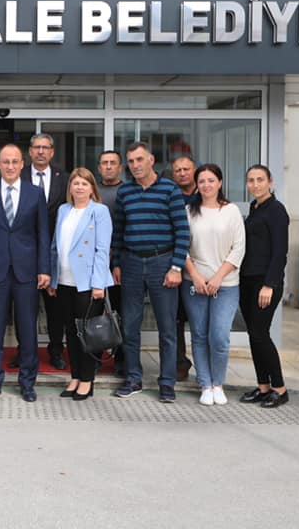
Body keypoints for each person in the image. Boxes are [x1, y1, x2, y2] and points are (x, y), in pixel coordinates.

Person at [112, 141, 190, 403]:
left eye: (139, 159)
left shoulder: (170, 189)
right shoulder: (125, 192)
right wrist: (116, 263)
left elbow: (182, 231)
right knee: (130, 325)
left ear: (151, 160)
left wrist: (176, 267)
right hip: (131, 263)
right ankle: (133, 378)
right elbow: (119, 231)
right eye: (131, 161)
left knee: (167, 328)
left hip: (162, 262)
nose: (135, 165)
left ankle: (167, 382)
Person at [0, 144, 50, 403]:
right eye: (5, 161)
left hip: (27, 271)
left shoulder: (35, 193)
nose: (10, 166)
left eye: (15, 161)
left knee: (27, 331)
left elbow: (42, 234)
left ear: (22, 164)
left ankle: (27, 383)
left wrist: (44, 268)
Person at [181, 164, 246, 406]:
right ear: (196, 185)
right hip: (194, 284)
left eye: (211, 180)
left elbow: (239, 248)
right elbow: (182, 246)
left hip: (226, 284)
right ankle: (205, 384)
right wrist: (196, 276)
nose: (206, 185)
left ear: (220, 183)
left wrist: (218, 277)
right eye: (202, 181)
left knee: (219, 336)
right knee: (199, 335)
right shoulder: (189, 211)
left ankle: (218, 383)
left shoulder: (231, 211)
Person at [47, 168, 114, 401]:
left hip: (88, 283)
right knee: (71, 332)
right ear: (70, 188)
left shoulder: (99, 211)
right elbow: (55, 246)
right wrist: (53, 278)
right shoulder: (63, 210)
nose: (79, 187)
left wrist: (98, 284)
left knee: (87, 333)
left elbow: (102, 250)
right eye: (75, 183)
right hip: (64, 280)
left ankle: (87, 380)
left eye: (84, 184)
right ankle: (75, 376)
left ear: (92, 188)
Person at [239, 164, 291, 408]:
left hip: (265, 282)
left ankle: (279, 389)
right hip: (247, 280)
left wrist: (269, 284)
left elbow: (280, 252)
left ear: (270, 182)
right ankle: (263, 387)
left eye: (260, 179)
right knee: (254, 335)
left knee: (261, 334)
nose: (255, 184)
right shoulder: (255, 208)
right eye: (251, 180)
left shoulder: (277, 210)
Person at [21, 133, 70, 370]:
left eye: (45, 147)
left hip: (55, 251)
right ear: (30, 151)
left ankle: (56, 350)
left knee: (55, 308)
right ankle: (24, 350)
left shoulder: (65, 178)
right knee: (25, 307)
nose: (41, 151)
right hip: (24, 252)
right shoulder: (18, 176)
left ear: (52, 152)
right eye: (36, 147)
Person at [97, 149, 125, 375]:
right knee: (94, 309)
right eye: (104, 163)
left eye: (112, 163)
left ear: (120, 167)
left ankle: (121, 359)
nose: (108, 166)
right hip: (95, 258)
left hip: (119, 259)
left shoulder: (127, 191)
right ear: (99, 168)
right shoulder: (92, 190)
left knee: (120, 309)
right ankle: (95, 356)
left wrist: (118, 261)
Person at [172, 155, 199, 381]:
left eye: (186, 169)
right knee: (176, 319)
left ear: (194, 170)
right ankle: (180, 363)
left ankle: (206, 369)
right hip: (177, 265)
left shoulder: (207, 194)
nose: (182, 173)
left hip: (204, 267)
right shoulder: (172, 196)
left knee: (201, 321)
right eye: (178, 170)